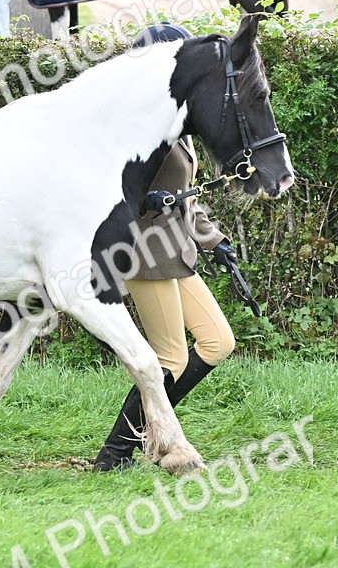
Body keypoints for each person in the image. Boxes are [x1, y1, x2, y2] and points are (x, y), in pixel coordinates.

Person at [93, 23, 244, 471]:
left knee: (218, 341)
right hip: (145, 254)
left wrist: (214, 240)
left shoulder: (175, 118)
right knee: (170, 359)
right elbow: (107, 188)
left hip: (177, 253)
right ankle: (117, 452)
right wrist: (144, 200)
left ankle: (144, 438)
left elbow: (184, 195)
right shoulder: (130, 125)